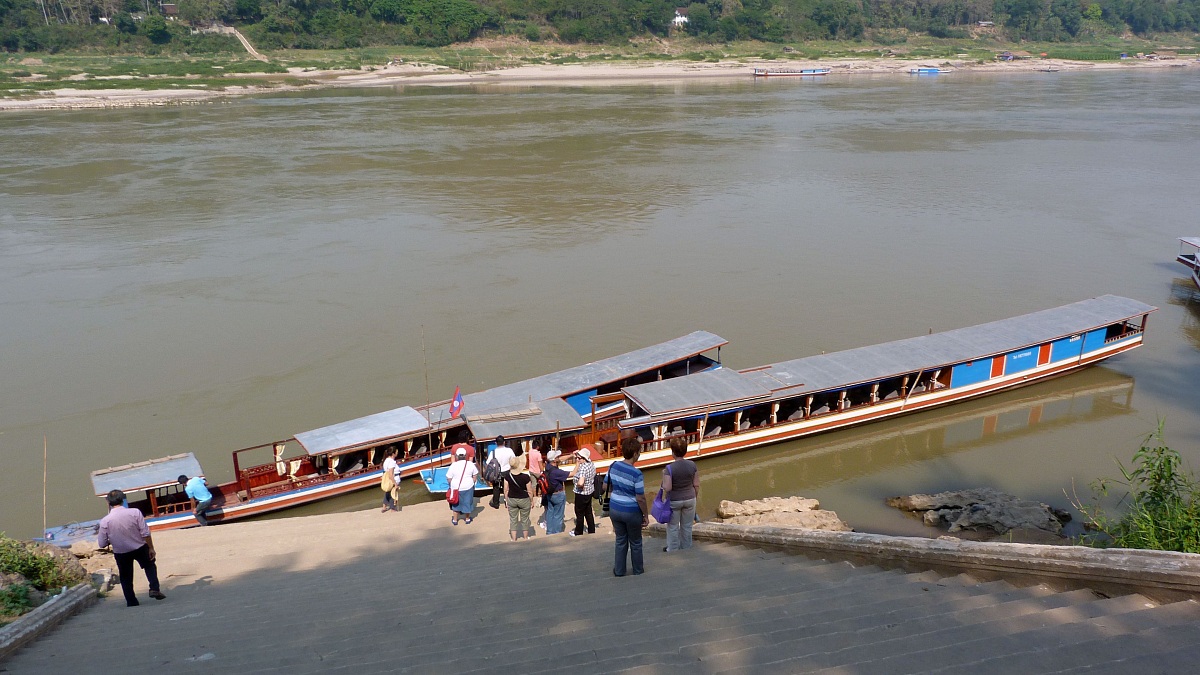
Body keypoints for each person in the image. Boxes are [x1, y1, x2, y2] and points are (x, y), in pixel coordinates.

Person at [97, 489, 165, 606]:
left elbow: (102, 543)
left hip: (121, 552)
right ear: (123, 500)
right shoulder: (135, 512)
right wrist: (151, 548)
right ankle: (154, 588)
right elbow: (145, 533)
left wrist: (112, 539)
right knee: (150, 566)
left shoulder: (105, 521)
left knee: (125, 577)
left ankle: (131, 601)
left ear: (109, 502)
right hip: (139, 547)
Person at [608, 437, 648, 576]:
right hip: (631, 511)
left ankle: (619, 571)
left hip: (614, 508)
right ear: (635, 453)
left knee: (620, 540)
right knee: (636, 542)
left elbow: (605, 485)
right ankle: (638, 570)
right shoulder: (637, 474)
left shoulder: (613, 466)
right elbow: (640, 498)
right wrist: (646, 515)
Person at [662, 436, 700, 552]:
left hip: (674, 500)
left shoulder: (669, 468)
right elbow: (696, 484)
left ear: (673, 452)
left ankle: (672, 549)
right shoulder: (692, 465)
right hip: (690, 498)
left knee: (673, 527)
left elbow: (668, 487)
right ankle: (686, 547)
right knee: (687, 526)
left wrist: (663, 483)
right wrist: (695, 497)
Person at [503, 453, 534, 541]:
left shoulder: (507, 476)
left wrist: (506, 500)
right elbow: (530, 491)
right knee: (525, 519)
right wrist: (531, 501)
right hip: (524, 499)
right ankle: (525, 537)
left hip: (512, 499)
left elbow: (506, 490)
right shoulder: (525, 477)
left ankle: (514, 538)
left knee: (513, 520)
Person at [568, 446, 597, 536]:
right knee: (588, 511)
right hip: (589, 491)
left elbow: (581, 482)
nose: (577, 459)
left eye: (579, 458)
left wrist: (577, 484)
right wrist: (577, 453)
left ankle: (578, 531)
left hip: (581, 493)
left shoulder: (583, 468)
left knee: (579, 513)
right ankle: (591, 530)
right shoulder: (591, 464)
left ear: (584, 459)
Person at [445, 446, 478, 525]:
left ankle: (455, 520)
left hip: (456, 487)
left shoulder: (453, 465)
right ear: (465, 455)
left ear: (456, 456)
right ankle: (467, 519)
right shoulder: (470, 464)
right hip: (468, 486)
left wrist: (451, 485)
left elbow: (448, 478)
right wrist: (472, 483)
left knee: (456, 503)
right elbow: (475, 475)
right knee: (467, 502)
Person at [542, 449, 570, 534]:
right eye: (557, 457)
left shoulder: (547, 467)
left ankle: (549, 531)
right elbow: (571, 474)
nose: (559, 458)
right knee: (558, 515)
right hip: (558, 494)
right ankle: (557, 533)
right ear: (554, 460)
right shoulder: (556, 471)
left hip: (549, 494)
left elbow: (560, 460)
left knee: (550, 513)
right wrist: (578, 464)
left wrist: (572, 455)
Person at [488, 435, 515, 509]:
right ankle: (508, 502)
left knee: (496, 487)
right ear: (504, 442)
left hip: (496, 472)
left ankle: (496, 503)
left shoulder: (493, 452)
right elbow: (514, 460)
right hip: (507, 471)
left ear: (496, 443)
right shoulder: (509, 450)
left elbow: (488, 463)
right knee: (507, 488)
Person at [380, 447, 401, 513]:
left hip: (388, 479)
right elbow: (391, 474)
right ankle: (393, 508)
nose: (397, 453)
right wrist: (395, 483)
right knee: (393, 493)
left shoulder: (386, 460)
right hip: (393, 479)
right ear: (393, 453)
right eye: (396, 452)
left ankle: (384, 506)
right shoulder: (391, 462)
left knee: (388, 493)